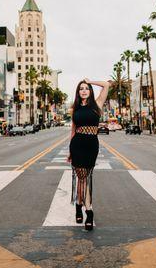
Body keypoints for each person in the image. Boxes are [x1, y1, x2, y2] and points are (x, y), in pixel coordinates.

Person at [67, 78, 110, 231]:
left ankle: (79, 205)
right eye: (81, 89)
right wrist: (70, 151)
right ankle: (89, 211)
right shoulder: (75, 109)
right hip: (77, 144)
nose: (84, 90)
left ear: (90, 91)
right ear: (78, 92)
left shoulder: (97, 104)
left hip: (91, 145)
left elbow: (106, 85)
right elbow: (73, 130)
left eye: (86, 88)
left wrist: (90, 80)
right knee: (83, 178)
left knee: (84, 178)